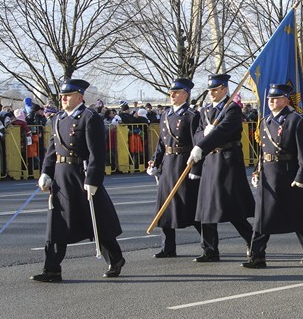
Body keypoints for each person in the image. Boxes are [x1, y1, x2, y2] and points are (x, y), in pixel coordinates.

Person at [33, 79, 125, 282]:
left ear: (79, 97)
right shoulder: (57, 119)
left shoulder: (89, 118)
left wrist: (93, 179)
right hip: (60, 176)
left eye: (68, 95)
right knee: (56, 223)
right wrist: (46, 172)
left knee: (96, 220)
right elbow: (52, 150)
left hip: (81, 175)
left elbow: (97, 153)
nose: (63, 99)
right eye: (62, 96)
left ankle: (116, 258)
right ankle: (52, 269)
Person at [247, 84, 303, 268]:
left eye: (276, 98)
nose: (272, 102)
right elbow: (263, 152)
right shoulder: (265, 121)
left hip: (288, 174)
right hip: (268, 174)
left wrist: (302, 176)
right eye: (270, 99)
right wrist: (257, 170)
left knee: (297, 215)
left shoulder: (296, 120)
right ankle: (257, 256)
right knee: (263, 216)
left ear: (286, 100)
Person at [187, 74, 255, 261]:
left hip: (227, 161)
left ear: (224, 89)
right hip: (210, 160)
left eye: (215, 90)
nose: (212, 93)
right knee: (206, 206)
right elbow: (198, 133)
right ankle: (209, 249)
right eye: (210, 90)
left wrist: (205, 142)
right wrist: (202, 140)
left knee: (232, 206)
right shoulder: (206, 110)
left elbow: (225, 131)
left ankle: (252, 241)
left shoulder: (232, 109)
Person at [147, 78, 202, 259]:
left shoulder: (192, 116)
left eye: (176, 92)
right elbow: (161, 144)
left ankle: (209, 246)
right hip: (169, 164)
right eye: (171, 92)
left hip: (184, 163)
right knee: (165, 206)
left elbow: (197, 144)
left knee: (190, 205)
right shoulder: (165, 114)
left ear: (185, 94)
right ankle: (167, 247)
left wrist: (196, 169)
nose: (172, 95)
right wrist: (155, 162)